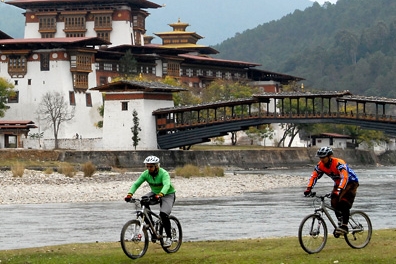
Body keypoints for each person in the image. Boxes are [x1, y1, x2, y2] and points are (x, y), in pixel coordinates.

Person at [304, 146, 359, 234]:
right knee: (334, 203)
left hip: (350, 182)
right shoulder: (320, 165)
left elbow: (344, 177)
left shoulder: (338, 163)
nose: (321, 159)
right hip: (338, 183)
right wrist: (308, 188)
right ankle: (340, 223)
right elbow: (314, 176)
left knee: (344, 202)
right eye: (320, 157)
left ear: (329, 156)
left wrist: (338, 190)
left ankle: (344, 226)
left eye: (323, 157)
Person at [124, 155, 176, 247]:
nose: (149, 168)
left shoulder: (164, 173)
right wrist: (129, 194)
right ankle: (150, 223)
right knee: (143, 200)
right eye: (147, 166)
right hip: (155, 193)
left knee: (164, 215)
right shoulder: (145, 174)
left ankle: (169, 237)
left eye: (151, 166)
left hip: (168, 194)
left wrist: (161, 194)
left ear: (156, 166)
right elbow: (136, 184)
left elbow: (166, 185)